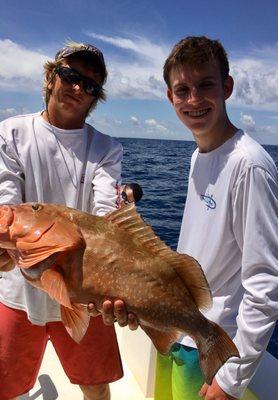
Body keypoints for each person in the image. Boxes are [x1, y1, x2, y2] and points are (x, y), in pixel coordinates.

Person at [154, 36, 278, 400]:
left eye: (206, 85)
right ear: (171, 98)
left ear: (227, 87)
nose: (194, 99)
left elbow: (269, 282)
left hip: (214, 350)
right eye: (182, 89)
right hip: (183, 332)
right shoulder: (200, 155)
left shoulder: (249, 164)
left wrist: (230, 381)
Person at [0, 41, 136, 400]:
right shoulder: (11, 134)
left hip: (83, 292)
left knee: (95, 384)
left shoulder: (106, 148)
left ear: (96, 98)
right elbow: (6, 205)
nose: (78, 88)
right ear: (50, 77)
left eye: (90, 85)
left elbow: (106, 212)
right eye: (70, 76)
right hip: (19, 291)